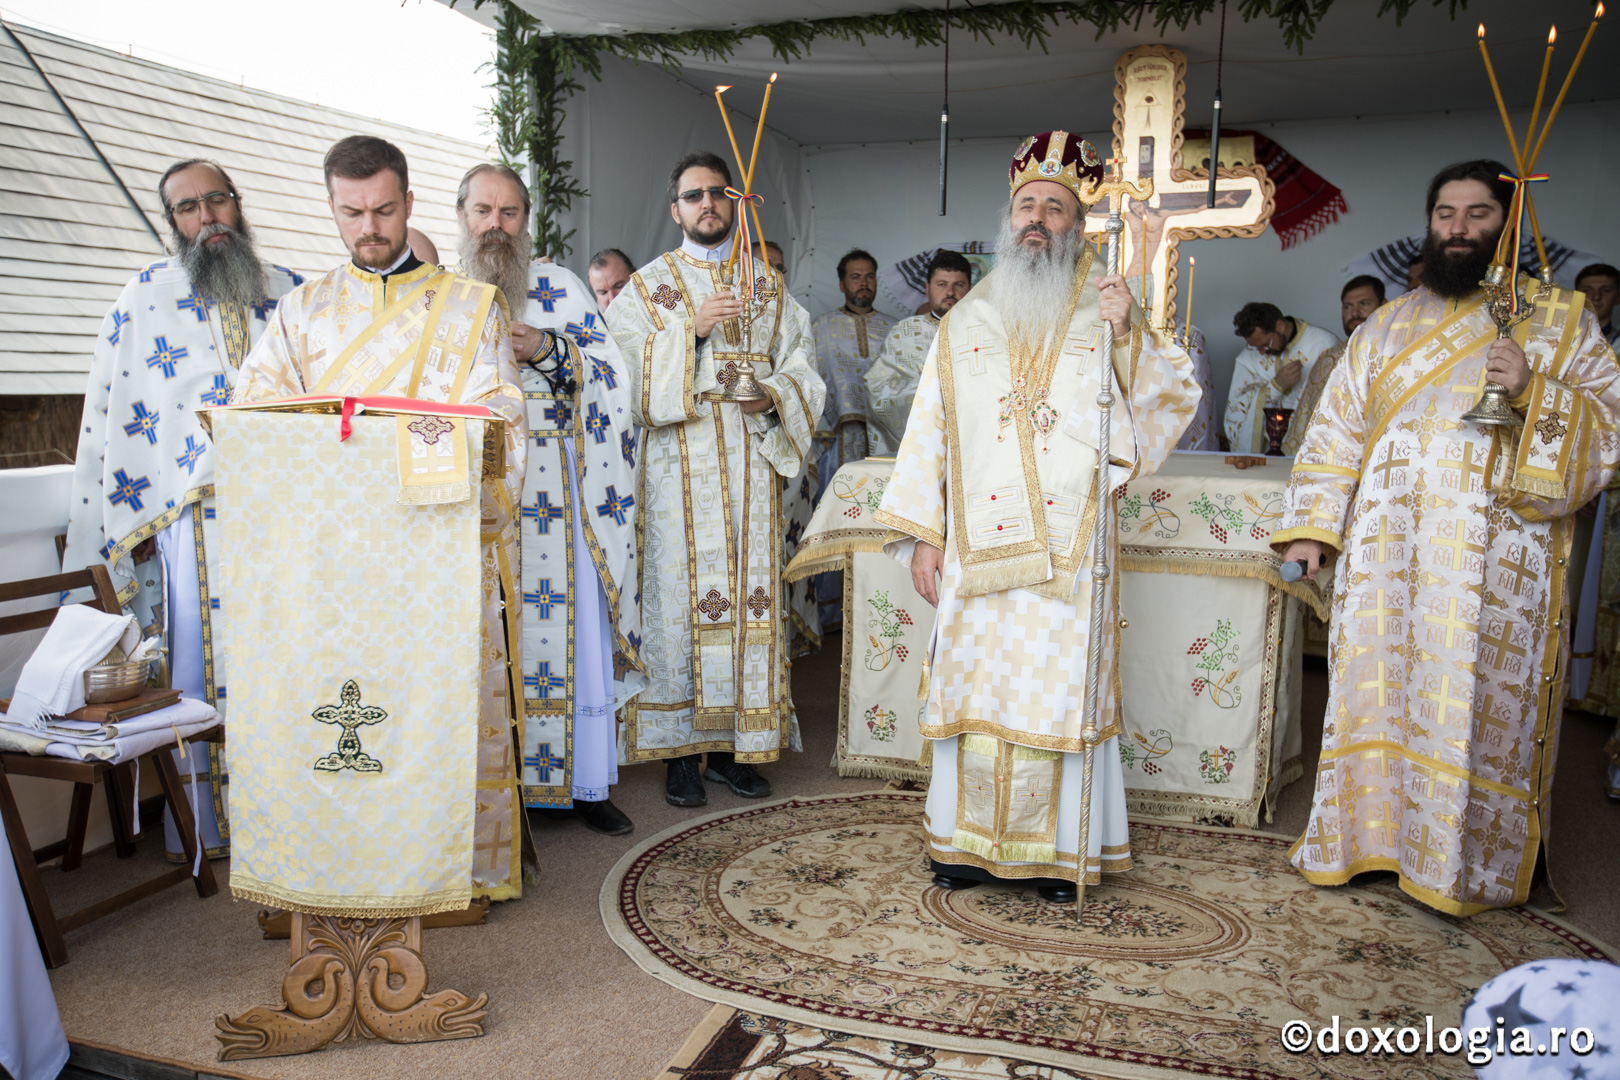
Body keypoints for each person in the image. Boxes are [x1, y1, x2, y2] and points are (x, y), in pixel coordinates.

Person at [1274, 159, 1620, 915]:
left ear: (1509, 223)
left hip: (1494, 565)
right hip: (1387, 556)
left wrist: (1535, 391)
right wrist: (1313, 531)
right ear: (1429, 225)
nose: (1459, 229)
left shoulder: (1561, 321)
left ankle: (1467, 864)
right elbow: (1335, 431)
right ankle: (1365, 843)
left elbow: (1609, 427)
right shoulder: (1387, 324)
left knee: (1471, 701)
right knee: (1377, 695)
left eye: (1477, 214)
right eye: (1445, 214)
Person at [875, 131, 1201, 902]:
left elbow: (1167, 404)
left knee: (1055, 695)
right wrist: (923, 535)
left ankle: (1058, 856)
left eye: (1056, 208)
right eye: (1028, 205)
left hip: (1069, 551)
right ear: (1008, 215)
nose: (1038, 219)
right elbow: (929, 427)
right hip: (977, 549)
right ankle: (962, 847)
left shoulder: (1109, 306)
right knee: (977, 688)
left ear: (1077, 225)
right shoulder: (967, 319)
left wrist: (1129, 337)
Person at [232, 136, 529, 901]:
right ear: (332, 207)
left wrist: (391, 442)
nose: (370, 227)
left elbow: (503, 421)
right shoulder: (300, 311)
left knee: (436, 712)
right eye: (353, 212)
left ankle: (450, 869)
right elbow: (253, 418)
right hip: (328, 563)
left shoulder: (471, 307)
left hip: (433, 554)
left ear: (409, 203)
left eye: (385, 210)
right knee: (337, 708)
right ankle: (335, 864)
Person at [64, 158, 301, 864]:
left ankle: (296, 812)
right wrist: (127, 517)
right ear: (172, 220)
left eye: (216, 200)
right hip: (191, 523)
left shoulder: (291, 293)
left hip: (286, 513)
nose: (206, 217)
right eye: (187, 208)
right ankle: (207, 827)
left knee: (290, 662)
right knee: (200, 668)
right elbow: (111, 413)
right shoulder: (144, 297)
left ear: (237, 202)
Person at [605, 150, 824, 808]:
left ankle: (734, 749)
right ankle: (680, 754)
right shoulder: (648, 288)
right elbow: (620, 376)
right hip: (676, 480)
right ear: (675, 209)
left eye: (718, 193)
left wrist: (772, 397)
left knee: (748, 602)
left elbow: (803, 366)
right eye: (694, 195)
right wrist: (691, 331)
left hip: (751, 476)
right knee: (678, 607)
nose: (708, 204)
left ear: (734, 203)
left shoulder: (767, 286)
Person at [456, 163, 645, 837]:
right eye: (483, 211)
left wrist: (546, 348)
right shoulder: (444, 297)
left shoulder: (560, 286)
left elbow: (613, 377)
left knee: (573, 633)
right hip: (474, 494)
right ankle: (488, 790)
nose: (496, 225)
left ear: (527, 220)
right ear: (462, 217)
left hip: (557, 494)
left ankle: (584, 782)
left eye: (509, 212)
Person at [864, 249, 970, 457]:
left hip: (971, 445)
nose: (950, 292)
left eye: (959, 285)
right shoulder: (905, 331)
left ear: (970, 289)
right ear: (927, 289)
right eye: (941, 285)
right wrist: (937, 395)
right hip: (921, 447)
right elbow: (878, 389)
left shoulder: (983, 332)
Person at [1281, 275, 1387, 456]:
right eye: (1348, 306)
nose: (1355, 313)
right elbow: (1307, 418)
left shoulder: (1394, 355)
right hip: (1331, 458)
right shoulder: (1328, 359)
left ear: (1384, 305)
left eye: (1364, 303)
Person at [811, 249, 896, 472]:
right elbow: (808, 380)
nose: (864, 283)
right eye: (855, 277)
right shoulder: (821, 326)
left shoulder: (894, 328)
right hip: (837, 433)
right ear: (842, 285)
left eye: (870, 276)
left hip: (885, 431)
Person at [1224, 300, 1340, 454]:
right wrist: (1276, 386)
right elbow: (1237, 407)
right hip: (1266, 451)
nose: (1261, 352)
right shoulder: (1248, 358)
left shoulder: (1323, 345)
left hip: (1309, 448)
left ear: (1280, 326)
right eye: (1255, 347)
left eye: (1265, 344)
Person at [1574, 262, 1618, 349]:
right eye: (1587, 290)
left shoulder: (1618, 342)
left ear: (1618, 297)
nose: (1596, 297)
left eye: (1606, 290)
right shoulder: (1556, 339)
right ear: (1575, 297)